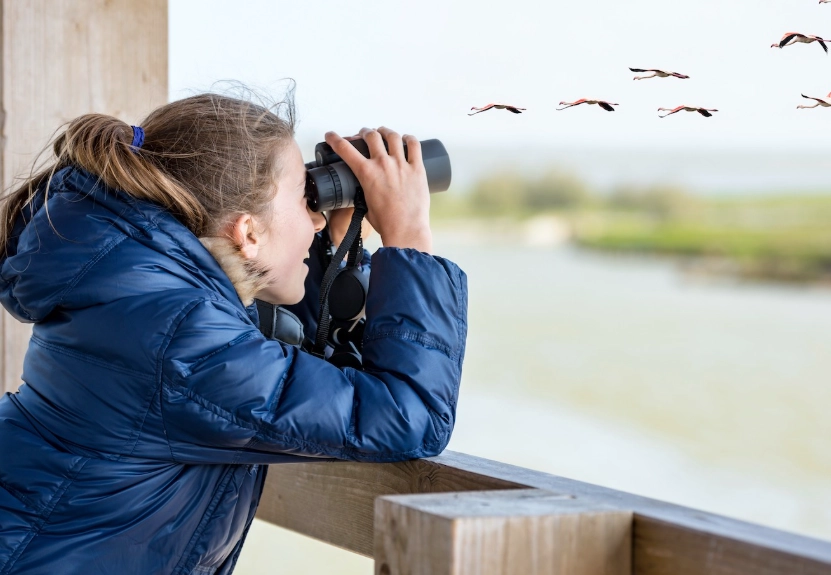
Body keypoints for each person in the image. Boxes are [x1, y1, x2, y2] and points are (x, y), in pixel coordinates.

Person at [0, 91, 468, 574]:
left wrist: (335, 242)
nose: (315, 215)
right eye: (303, 199)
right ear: (247, 233)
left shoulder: (138, 298)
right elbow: (409, 416)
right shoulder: (179, 340)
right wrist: (410, 235)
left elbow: (296, 376)